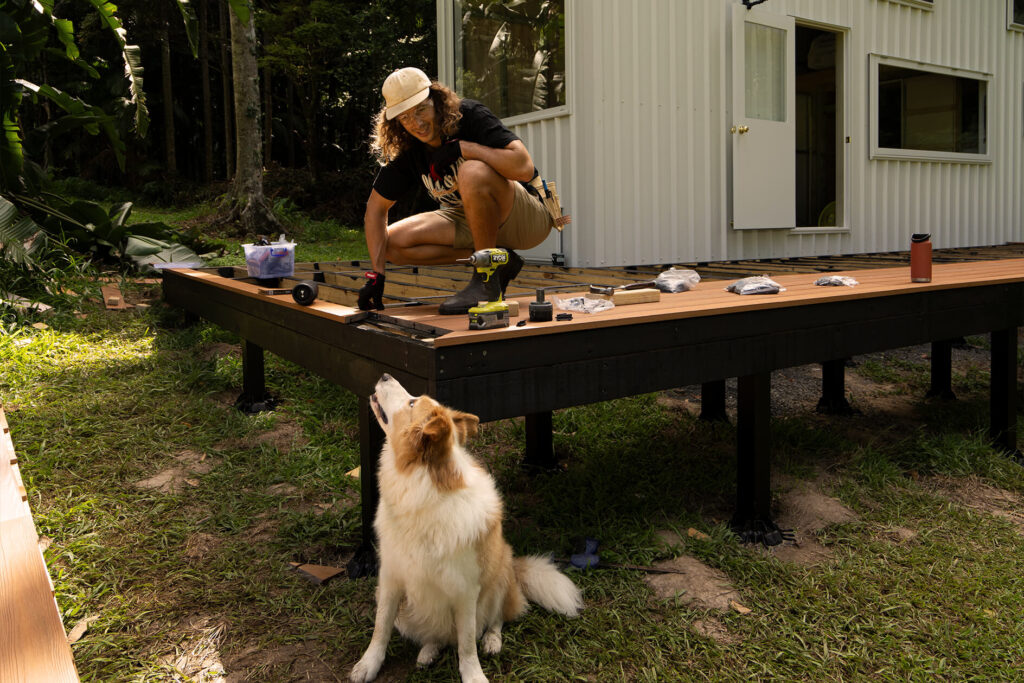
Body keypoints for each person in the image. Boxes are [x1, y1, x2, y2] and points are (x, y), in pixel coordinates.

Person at [357, 67, 557, 314]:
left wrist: (464, 148)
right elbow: (375, 210)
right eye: (405, 117)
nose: (417, 123)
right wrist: (377, 274)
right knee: (389, 244)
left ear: (437, 100)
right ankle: (499, 260)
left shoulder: (470, 115)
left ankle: (486, 280)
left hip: (526, 218)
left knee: (471, 171)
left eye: (421, 109)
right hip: (472, 220)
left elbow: (525, 168)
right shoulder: (410, 150)